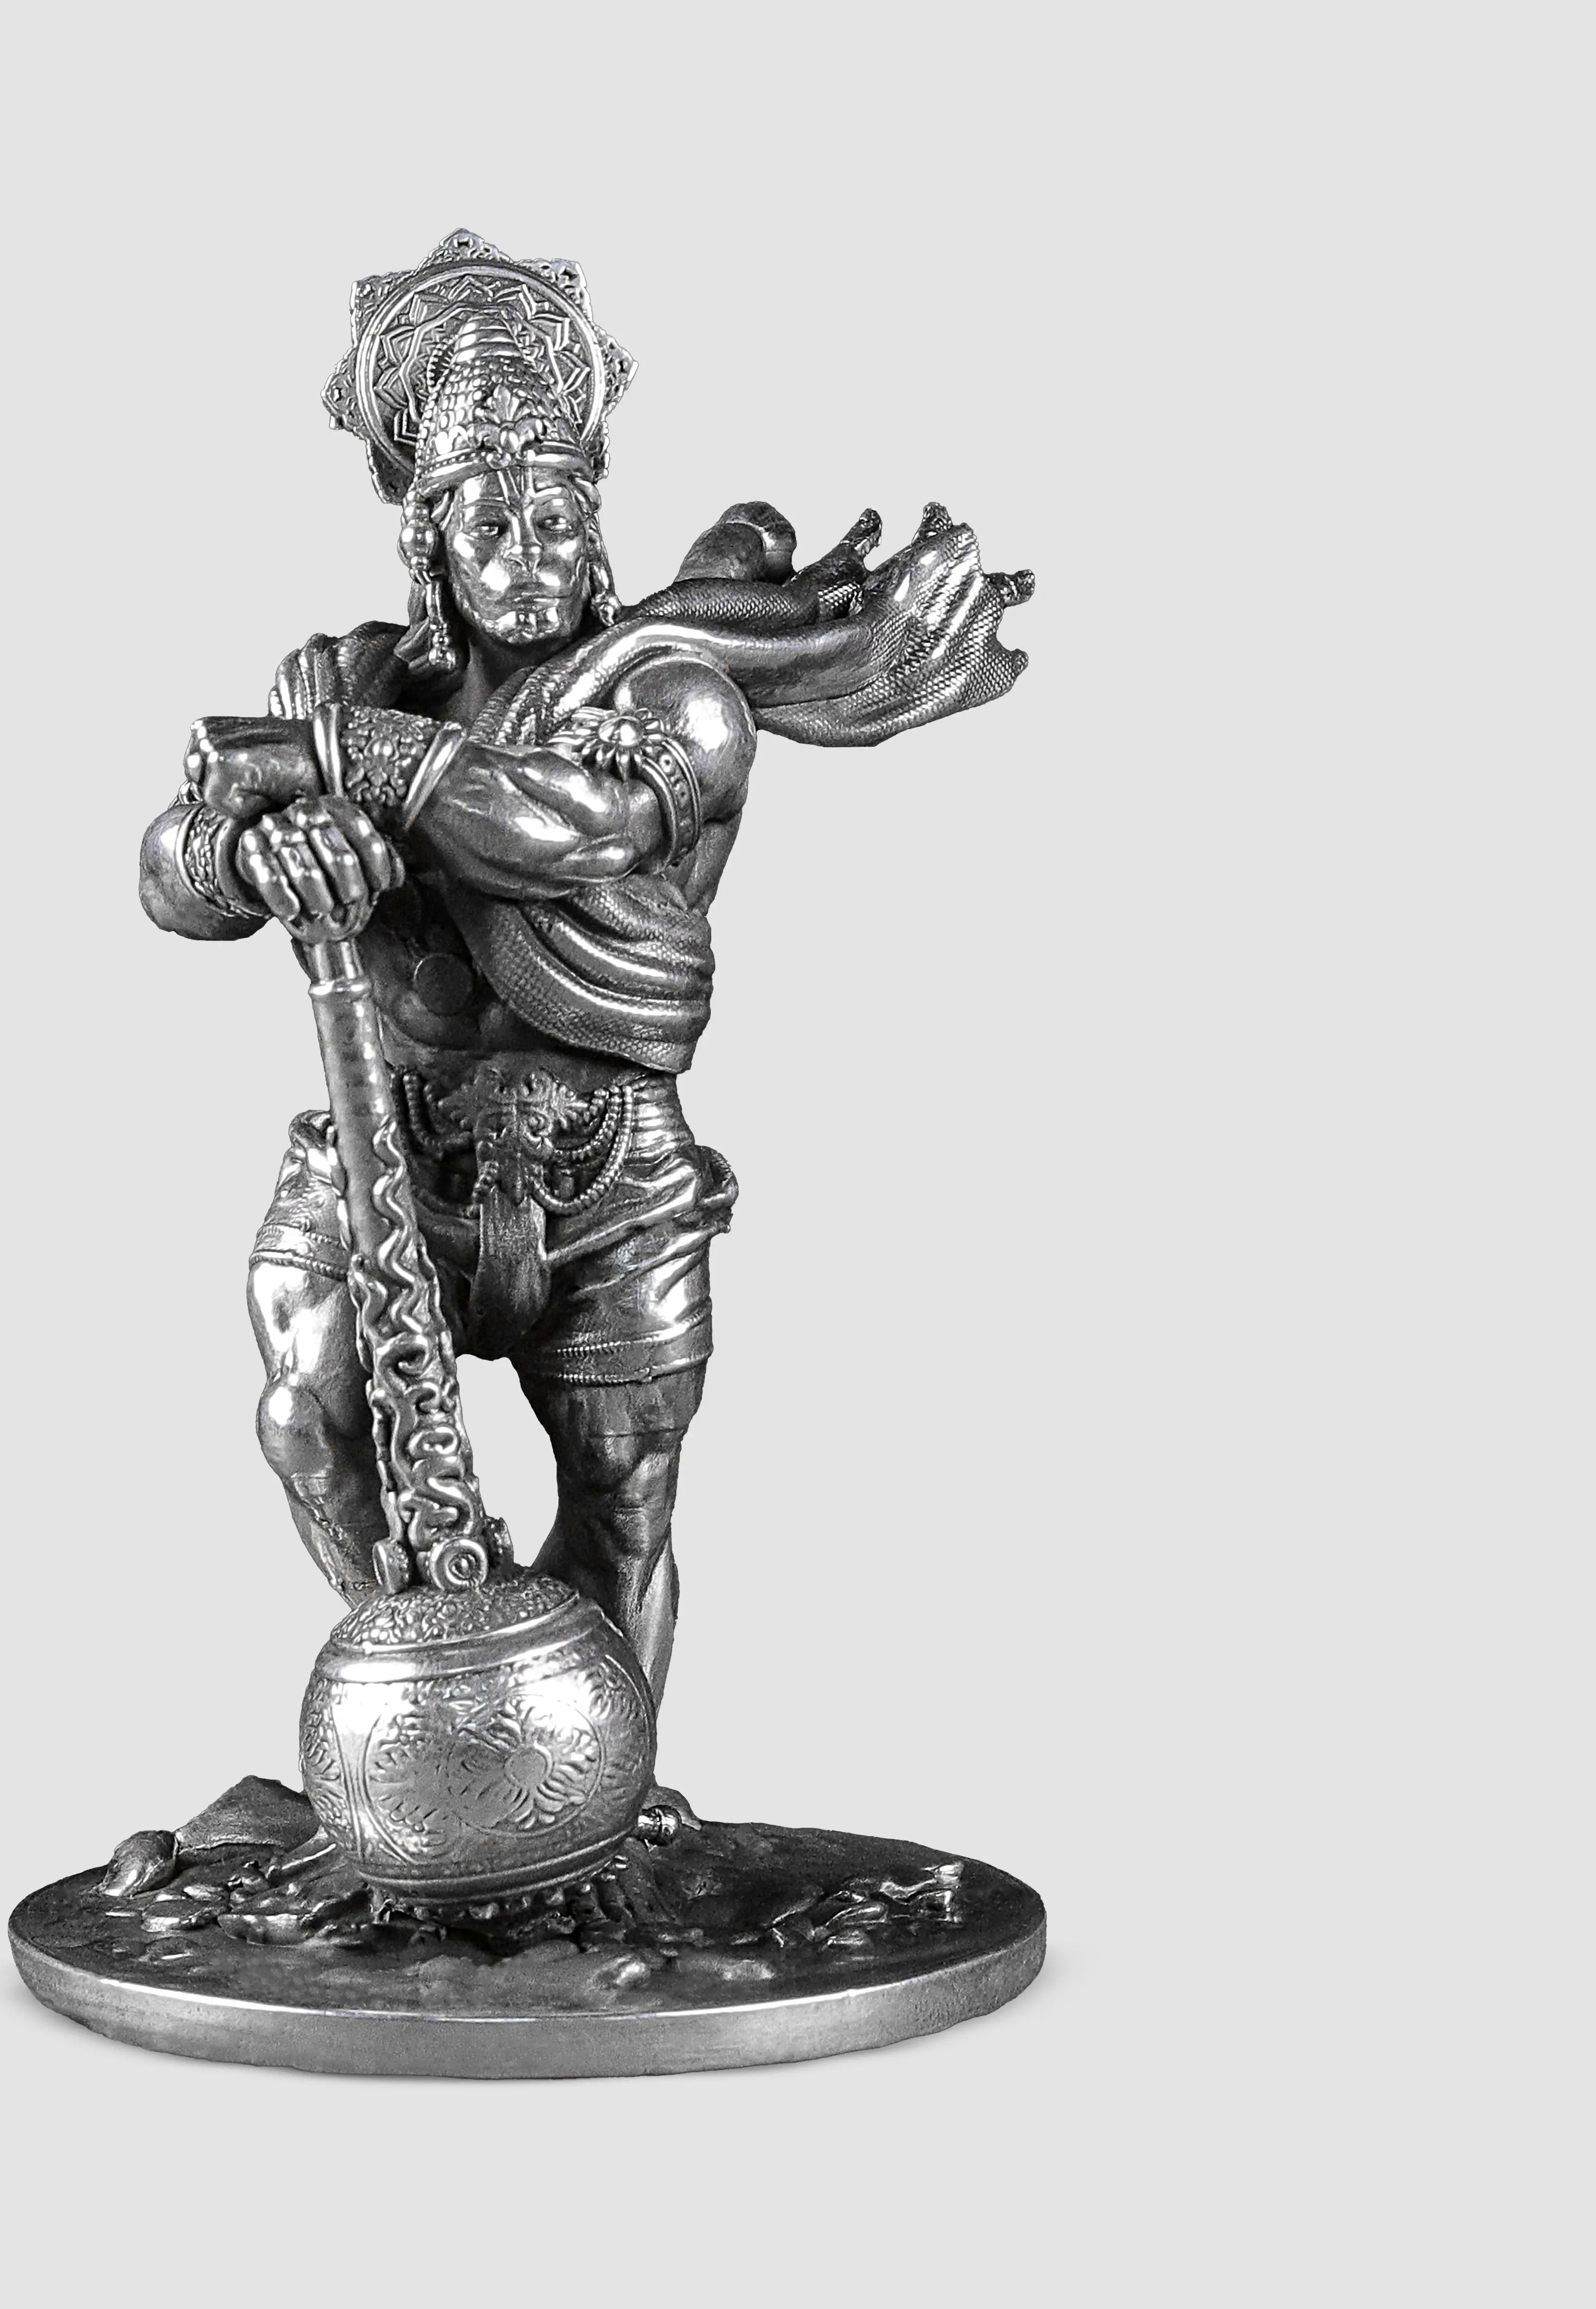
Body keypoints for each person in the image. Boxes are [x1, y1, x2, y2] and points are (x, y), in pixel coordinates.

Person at [140, 235, 1029, 1712]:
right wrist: (256, 854)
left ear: (596, 526)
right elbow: (170, 864)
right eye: (489, 522)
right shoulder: (349, 680)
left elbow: (568, 834)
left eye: (557, 517)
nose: (529, 553)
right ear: (428, 545)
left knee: (623, 1499)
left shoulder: (668, 695)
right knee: (309, 1418)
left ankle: (601, 1781)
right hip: (390, 1144)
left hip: (607, 1163)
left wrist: (339, 764)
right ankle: (452, 1706)